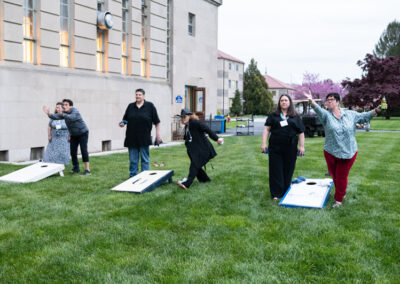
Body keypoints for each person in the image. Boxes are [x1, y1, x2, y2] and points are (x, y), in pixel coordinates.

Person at [303, 91, 381, 207]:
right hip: (331, 151)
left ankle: (338, 200)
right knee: (334, 175)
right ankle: (341, 191)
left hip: (348, 152)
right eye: (327, 100)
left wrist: (377, 110)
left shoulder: (350, 114)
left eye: (331, 100)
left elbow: (364, 116)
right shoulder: (326, 115)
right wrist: (311, 101)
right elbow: (318, 109)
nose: (329, 102)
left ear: (338, 102)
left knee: (341, 176)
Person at [261, 94, 305, 200]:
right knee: (275, 170)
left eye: (286, 100)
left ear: (289, 102)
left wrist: (302, 146)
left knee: (288, 169)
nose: (284, 102)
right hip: (275, 147)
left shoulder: (295, 116)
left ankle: (285, 190)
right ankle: (276, 194)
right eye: (282, 100)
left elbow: (301, 132)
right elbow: (267, 129)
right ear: (279, 103)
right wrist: (263, 143)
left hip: (290, 147)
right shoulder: (273, 115)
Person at [177, 109, 224, 190]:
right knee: (196, 166)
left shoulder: (194, 123)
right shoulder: (187, 126)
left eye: (185, 116)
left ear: (189, 116)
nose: (183, 118)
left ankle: (187, 184)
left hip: (204, 150)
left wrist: (217, 139)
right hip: (196, 151)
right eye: (182, 117)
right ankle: (205, 180)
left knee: (194, 165)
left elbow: (207, 129)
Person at [119, 88, 161, 177]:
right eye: (136, 94)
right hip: (131, 138)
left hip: (144, 138)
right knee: (133, 160)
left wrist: (158, 135)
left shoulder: (150, 106)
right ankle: (133, 178)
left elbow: (157, 122)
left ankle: (144, 177)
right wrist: (122, 123)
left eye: (139, 95)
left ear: (143, 96)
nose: (137, 96)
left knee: (145, 160)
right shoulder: (130, 106)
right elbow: (125, 119)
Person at [43, 99, 91, 175]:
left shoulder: (75, 111)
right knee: (73, 151)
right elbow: (55, 116)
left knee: (83, 150)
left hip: (82, 133)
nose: (64, 106)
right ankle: (76, 168)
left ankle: (87, 169)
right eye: (63, 105)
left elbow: (71, 118)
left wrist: (62, 114)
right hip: (74, 134)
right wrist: (48, 114)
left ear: (71, 106)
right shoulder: (64, 113)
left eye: (66, 105)